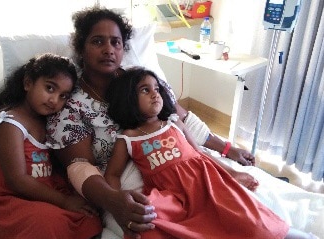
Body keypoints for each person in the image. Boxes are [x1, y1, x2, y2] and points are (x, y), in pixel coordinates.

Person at [46, 7, 260, 238]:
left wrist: (227, 149)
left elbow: (180, 119)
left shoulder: (142, 81)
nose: (109, 49)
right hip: (121, 188)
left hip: (181, 168)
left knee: (239, 214)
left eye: (116, 42)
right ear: (80, 47)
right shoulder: (70, 105)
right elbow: (80, 167)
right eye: (98, 41)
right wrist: (115, 202)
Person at [104, 66, 318, 239]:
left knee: (245, 217)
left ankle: (292, 235)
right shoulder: (129, 138)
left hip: (205, 181)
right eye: (145, 90)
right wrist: (117, 201)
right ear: (129, 99)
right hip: (171, 194)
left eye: (156, 89)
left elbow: (199, 153)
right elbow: (112, 174)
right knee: (148, 220)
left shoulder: (173, 122)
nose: (155, 95)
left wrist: (232, 174)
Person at [0, 53, 102, 239]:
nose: (54, 100)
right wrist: (65, 201)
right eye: (50, 88)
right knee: (47, 220)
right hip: (9, 197)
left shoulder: (47, 122)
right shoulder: (9, 123)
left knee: (87, 217)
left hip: (43, 191)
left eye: (63, 96)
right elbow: (16, 180)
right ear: (28, 83)